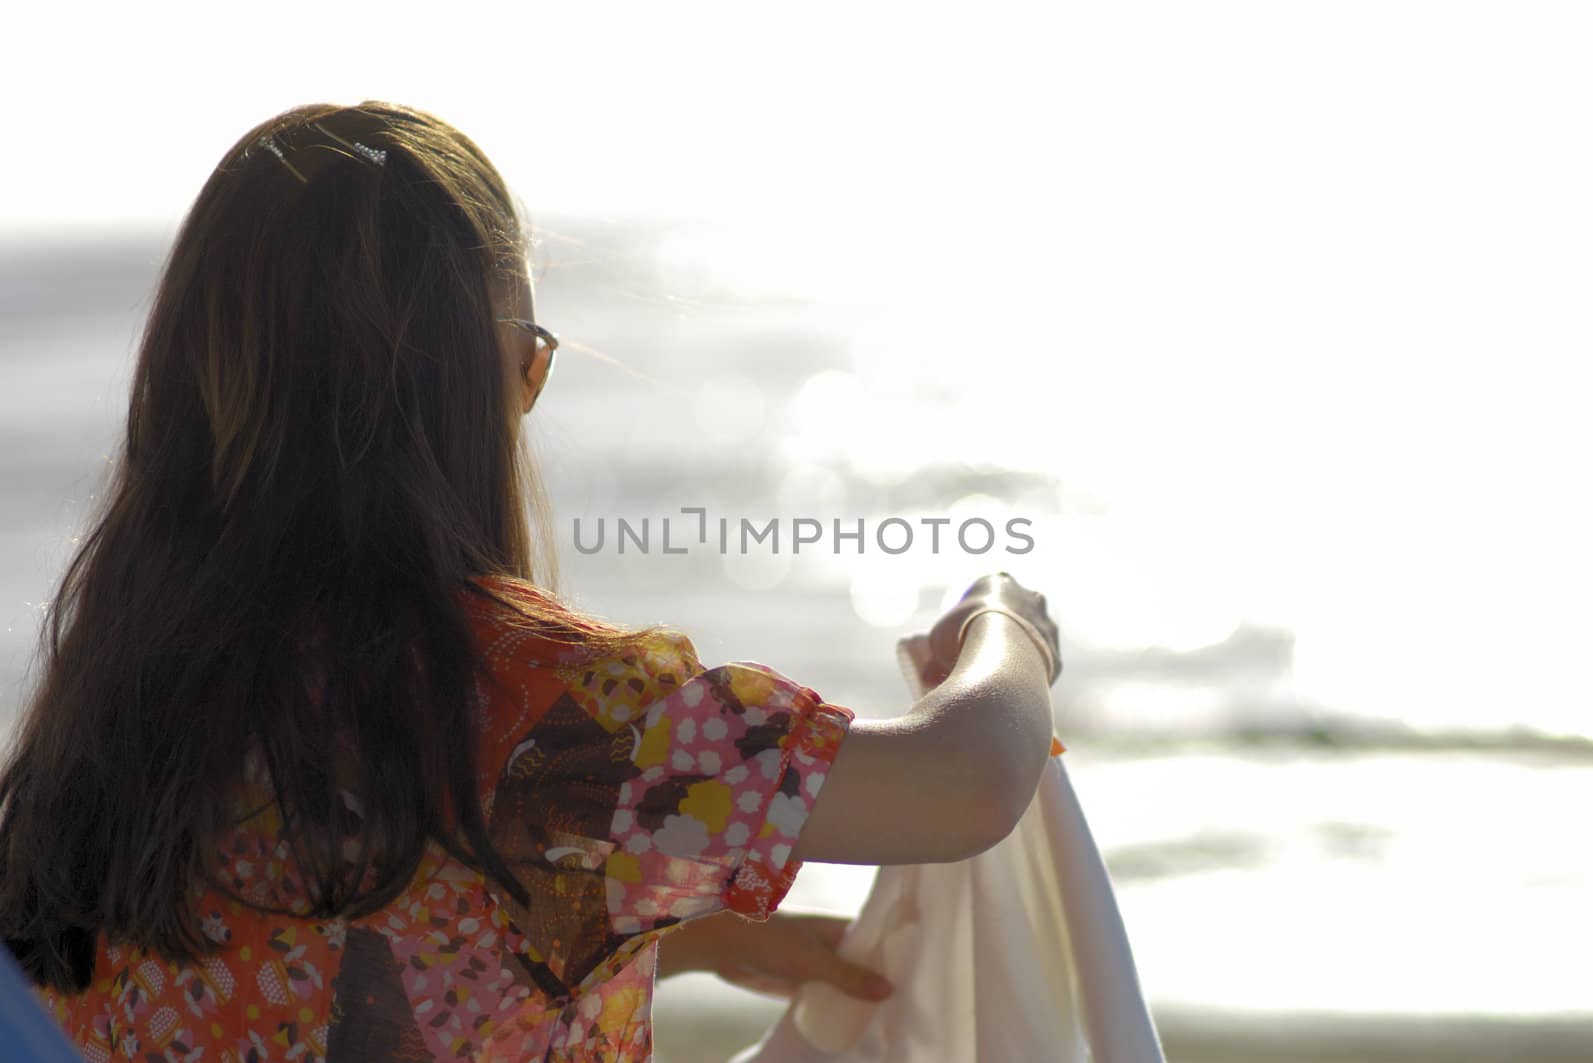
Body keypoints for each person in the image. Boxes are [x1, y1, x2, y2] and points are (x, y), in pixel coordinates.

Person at [0, 101, 1061, 1062]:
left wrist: (669, 942)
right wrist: (1005, 628)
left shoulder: (116, 711)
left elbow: (323, 948)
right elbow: (966, 781)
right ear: (495, 378)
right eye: (530, 353)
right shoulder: (553, 717)